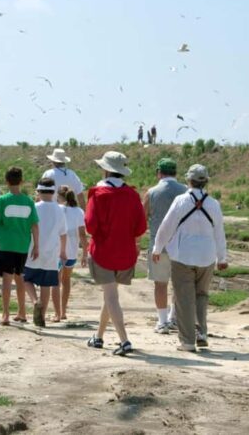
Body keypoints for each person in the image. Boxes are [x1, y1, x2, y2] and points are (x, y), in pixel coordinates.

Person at [152, 164, 228, 352]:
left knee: (183, 298)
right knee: (201, 295)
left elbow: (167, 226)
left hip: (182, 255)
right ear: (206, 181)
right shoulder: (214, 203)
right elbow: (219, 232)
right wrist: (222, 258)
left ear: (188, 180)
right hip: (207, 256)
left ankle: (187, 341)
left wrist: (157, 247)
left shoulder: (181, 200)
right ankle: (201, 332)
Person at [85, 151, 147, 356]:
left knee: (110, 296)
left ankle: (124, 340)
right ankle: (99, 336)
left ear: (105, 170)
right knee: (111, 296)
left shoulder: (98, 194)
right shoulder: (132, 194)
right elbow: (140, 228)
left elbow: (91, 226)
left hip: (103, 251)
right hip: (126, 254)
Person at [0, 167, 39, 326]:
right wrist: (37, 246)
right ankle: (22, 312)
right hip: (22, 246)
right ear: (21, 181)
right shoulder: (28, 201)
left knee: (7, 280)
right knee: (20, 278)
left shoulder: (3, 200)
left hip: (7, 246)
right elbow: (35, 226)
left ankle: (5, 314)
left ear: (6, 181)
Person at [143, 158, 187, 334]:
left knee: (160, 284)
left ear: (159, 172)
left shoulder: (152, 192)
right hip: (182, 245)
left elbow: (142, 217)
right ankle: (174, 318)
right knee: (178, 284)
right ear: (175, 172)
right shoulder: (185, 191)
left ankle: (162, 321)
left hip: (158, 245)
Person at [23, 178, 67, 327]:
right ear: (54, 192)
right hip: (52, 252)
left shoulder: (34, 207)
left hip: (33, 250)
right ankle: (41, 317)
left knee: (26, 279)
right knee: (46, 285)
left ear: (38, 192)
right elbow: (63, 233)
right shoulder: (59, 209)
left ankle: (35, 301)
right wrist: (63, 252)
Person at [57, 185, 87, 320]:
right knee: (66, 280)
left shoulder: (58, 209)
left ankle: (57, 312)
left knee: (55, 281)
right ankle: (63, 311)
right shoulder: (79, 211)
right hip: (72, 251)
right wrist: (85, 253)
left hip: (57, 250)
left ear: (60, 196)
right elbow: (82, 234)